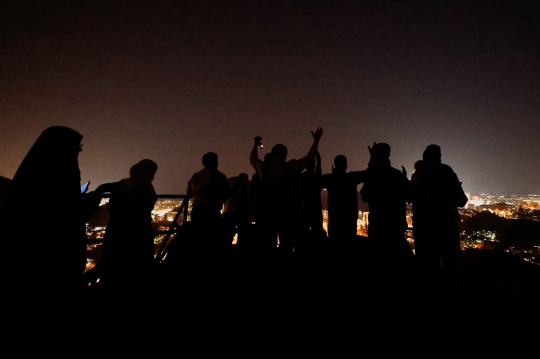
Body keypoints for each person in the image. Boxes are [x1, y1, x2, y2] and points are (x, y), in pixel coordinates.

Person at [0, 126, 87, 291]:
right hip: (50, 254)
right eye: (77, 147)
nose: (78, 151)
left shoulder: (33, 171)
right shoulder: (64, 171)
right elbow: (66, 212)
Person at [250, 128, 323, 253]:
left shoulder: (264, 168)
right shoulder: (290, 168)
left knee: (269, 248)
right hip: (286, 213)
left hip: (268, 212)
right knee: (286, 246)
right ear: (285, 155)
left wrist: (256, 144)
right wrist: (316, 141)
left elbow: (253, 158)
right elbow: (309, 158)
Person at [410, 144, 467, 287]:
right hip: (447, 225)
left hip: (425, 227)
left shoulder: (419, 174)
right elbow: (462, 200)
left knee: (427, 267)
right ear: (439, 156)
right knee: (452, 265)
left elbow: (409, 196)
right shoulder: (447, 171)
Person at [97, 159, 158, 288]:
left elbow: (102, 188)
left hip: (116, 229)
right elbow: (145, 210)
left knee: (112, 264)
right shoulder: (146, 188)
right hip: (137, 233)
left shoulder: (122, 184)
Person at [360, 143, 412, 260]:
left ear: (375, 155)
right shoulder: (398, 175)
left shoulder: (373, 175)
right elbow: (409, 196)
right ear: (389, 154)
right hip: (395, 228)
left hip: (377, 226)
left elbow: (364, 196)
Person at [321, 155, 367, 240]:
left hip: (335, 220)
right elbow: (367, 173)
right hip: (349, 221)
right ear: (346, 165)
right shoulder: (351, 178)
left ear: (335, 164)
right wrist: (372, 158)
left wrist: (320, 163)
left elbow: (317, 180)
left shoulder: (331, 179)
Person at [187, 152, 230, 226]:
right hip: (212, 212)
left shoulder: (195, 176)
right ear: (215, 162)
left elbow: (189, 193)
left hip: (196, 211)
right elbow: (226, 193)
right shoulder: (219, 176)